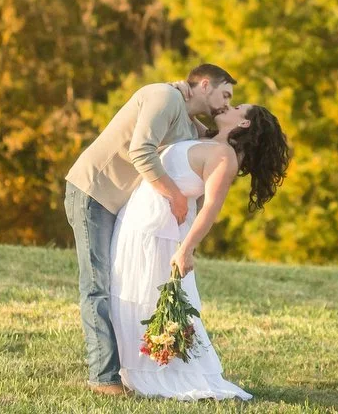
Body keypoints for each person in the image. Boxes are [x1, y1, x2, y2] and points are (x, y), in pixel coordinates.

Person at [64, 64, 236, 397]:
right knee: (97, 286)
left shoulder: (187, 119)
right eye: (225, 95)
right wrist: (175, 197)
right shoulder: (164, 96)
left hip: (119, 203)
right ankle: (103, 378)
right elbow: (140, 151)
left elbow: (211, 144)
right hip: (94, 193)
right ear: (204, 85)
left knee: (113, 284)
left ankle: (124, 370)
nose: (227, 104)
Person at [109, 103, 290, 400]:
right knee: (128, 294)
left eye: (237, 107)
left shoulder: (224, 157)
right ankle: (127, 369)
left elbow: (210, 209)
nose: (228, 105)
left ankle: (155, 372)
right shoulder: (208, 139)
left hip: (159, 235)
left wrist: (186, 250)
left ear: (244, 124)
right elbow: (186, 105)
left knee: (147, 298)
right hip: (137, 224)